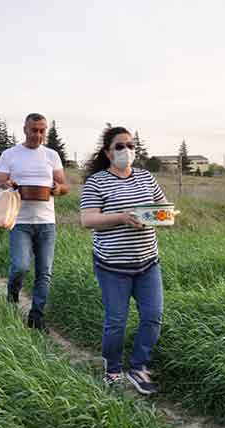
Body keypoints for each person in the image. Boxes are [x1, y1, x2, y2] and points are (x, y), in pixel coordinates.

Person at [79, 126, 166, 395]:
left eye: (130, 145)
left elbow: (163, 211)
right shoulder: (96, 182)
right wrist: (121, 217)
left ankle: (139, 367)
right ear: (107, 152)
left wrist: (153, 217)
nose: (126, 150)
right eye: (119, 146)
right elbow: (88, 220)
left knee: (153, 317)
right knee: (116, 321)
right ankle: (113, 370)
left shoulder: (146, 177)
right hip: (112, 266)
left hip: (147, 262)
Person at [0, 113, 69, 331]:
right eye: (34, 130)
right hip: (19, 221)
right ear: (25, 130)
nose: (38, 134)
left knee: (44, 272)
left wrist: (57, 189)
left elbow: (64, 186)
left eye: (42, 130)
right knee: (20, 267)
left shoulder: (52, 155)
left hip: (47, 222)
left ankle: (36, 317)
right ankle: (12, 297)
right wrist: (7, 184)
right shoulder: (9, 155)